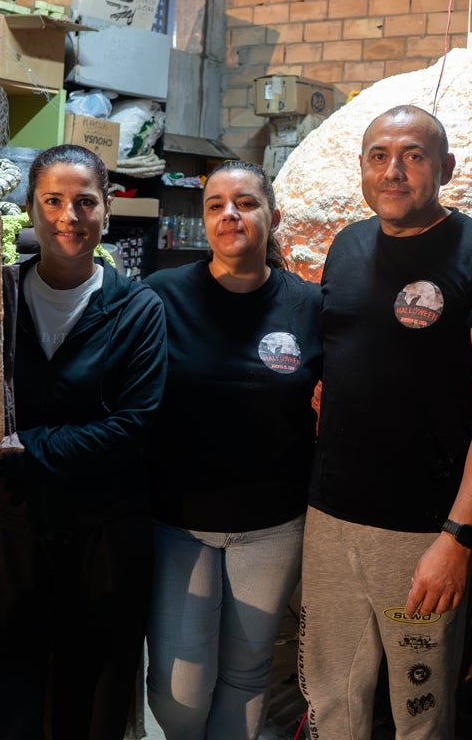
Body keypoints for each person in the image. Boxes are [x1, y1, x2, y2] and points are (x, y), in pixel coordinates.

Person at [298, 105, 472, 739]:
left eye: (413, 156)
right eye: (379, 155)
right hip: (330, 520)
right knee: (331, 702)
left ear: (446, 168)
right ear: (362, 167)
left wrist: (455, 538)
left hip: (421, 537)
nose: (394, 171)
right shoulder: (347, 245)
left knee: (421, 715)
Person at [0, 144, 167, 740]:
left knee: (95, 696)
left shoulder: (136, 308)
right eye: (52, 200)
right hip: (4, 529)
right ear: (28, 209)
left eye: (85, 202)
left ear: (107, 213)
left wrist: (19, 447)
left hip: (104, 534)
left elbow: (133, 427)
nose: (68, 216)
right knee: (8, 694)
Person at [143, 160, 322, 740]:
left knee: (246, 676)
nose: (230, 215)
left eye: (245, 203)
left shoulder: (309, 306)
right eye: (216, 204)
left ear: (273, 215)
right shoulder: (161, 297)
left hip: (272, 525)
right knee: (181, 686)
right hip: (179, 522)